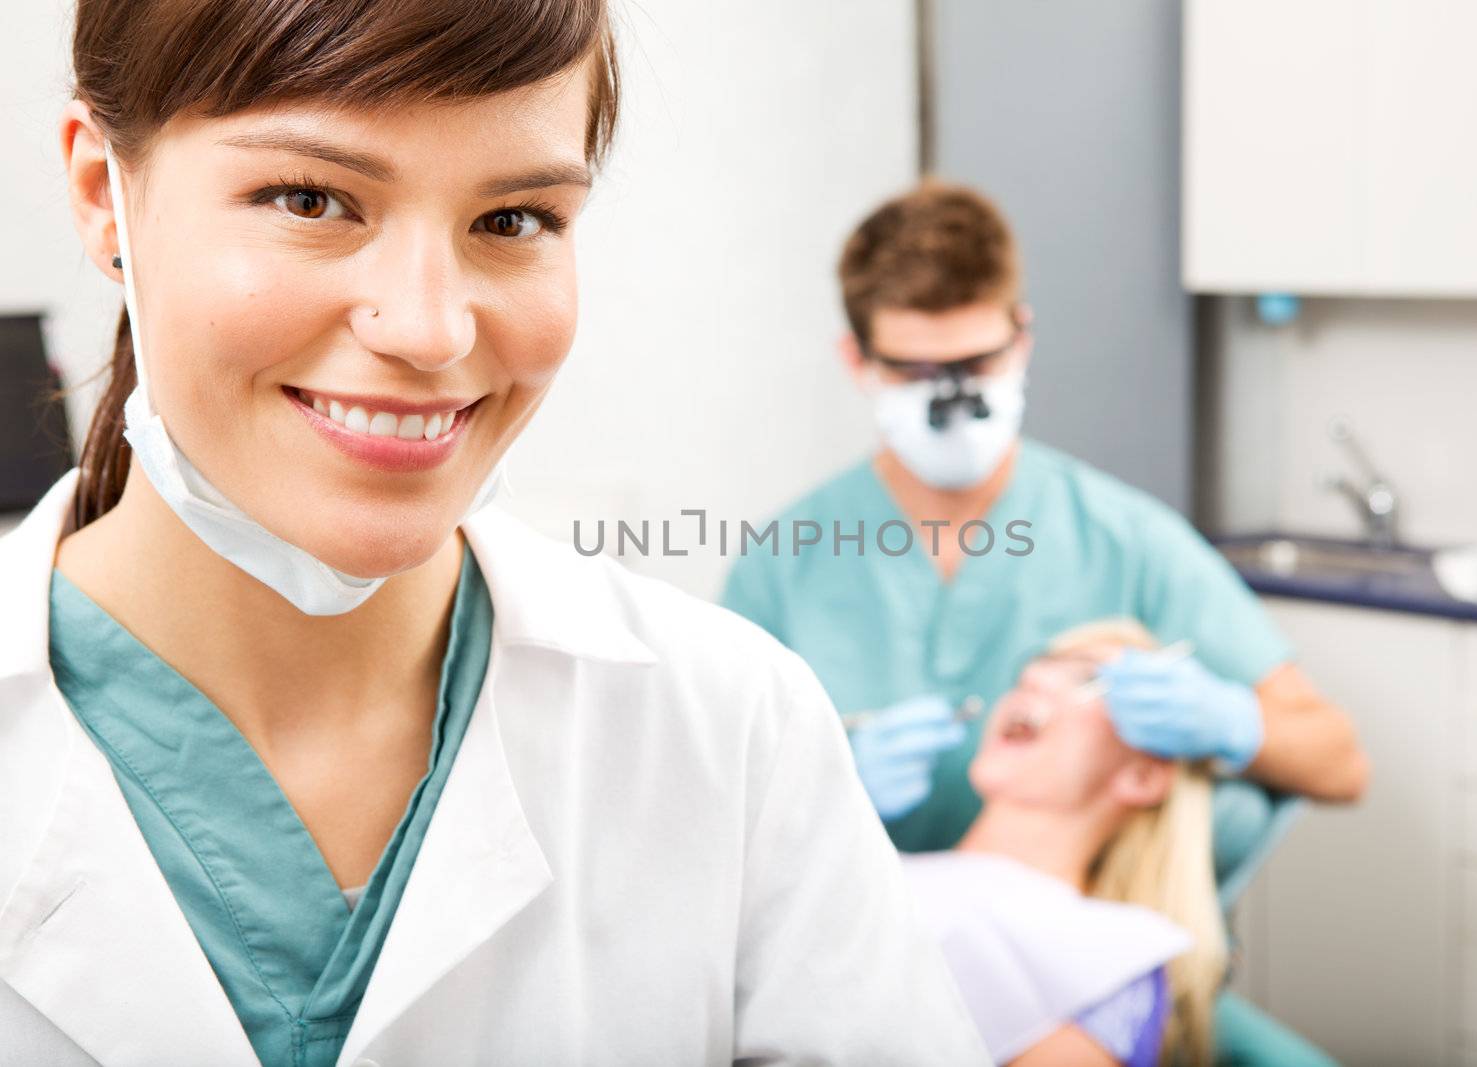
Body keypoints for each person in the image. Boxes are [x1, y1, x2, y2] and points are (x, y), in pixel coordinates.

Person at [0, 4, 991, 1064]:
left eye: (513, 219)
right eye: (311, 198)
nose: (430, 329)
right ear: (105, 192)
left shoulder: (729, 729)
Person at [721, 181, 1369, 856]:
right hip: (862, 947)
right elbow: (705, 804)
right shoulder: (784, 562)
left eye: (977, 362)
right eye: (917, 371)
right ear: (857, 360)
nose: (954, 397)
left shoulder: (1126, 540)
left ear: (1022, 339)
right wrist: (818, 790)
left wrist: (1236, 723)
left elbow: (1341, 763)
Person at [902, 620, 1226, 1067]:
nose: (1033, 678)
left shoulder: (1109, 957)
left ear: (1143, 776)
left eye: (1087, 679)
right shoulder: (879, 865)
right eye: (1029, 671)